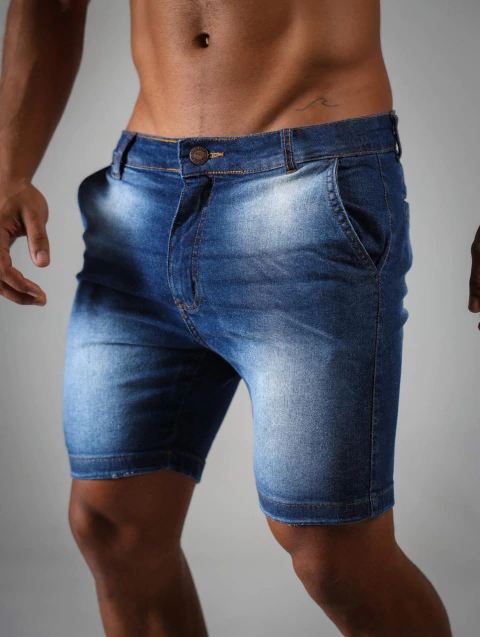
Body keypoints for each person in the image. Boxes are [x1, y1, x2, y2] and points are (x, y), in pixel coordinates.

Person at [0, 1, 453, 635]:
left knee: (333, 554)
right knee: (112, 525)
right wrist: (8, 170)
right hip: (141, 197)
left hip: (309, 186)